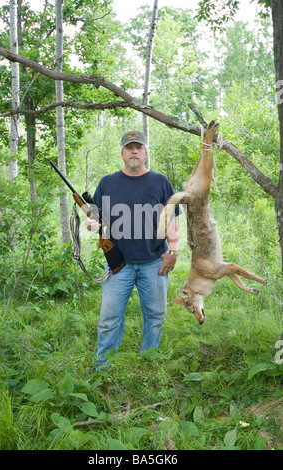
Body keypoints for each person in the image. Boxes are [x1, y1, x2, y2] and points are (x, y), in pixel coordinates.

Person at [85, 130, 180, 370]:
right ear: (122, 154)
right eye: (129, 147)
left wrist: (174, 252)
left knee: (156, 316)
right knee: (109, 319)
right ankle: (103, 368)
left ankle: (149, 364)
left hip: (154, 262)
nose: (134, 151)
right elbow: (95, 215)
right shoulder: (108, 182)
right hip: (118, 264)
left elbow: (172, 220)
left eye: (138, 147)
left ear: (146, 153)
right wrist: (90, 222)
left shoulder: (161, 181)